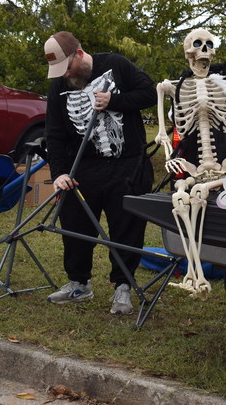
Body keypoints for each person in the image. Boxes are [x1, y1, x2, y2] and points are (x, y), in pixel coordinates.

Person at [42, 31, 156, 314]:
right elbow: (54, 134)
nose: (65, 74)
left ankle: (123, 286)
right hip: (83, 167)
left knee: (126, 227)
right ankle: (79, 283)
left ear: (79, 54)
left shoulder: (116, 65)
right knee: (75, 224)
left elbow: (150, 93)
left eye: (67, 67)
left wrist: (114, 101)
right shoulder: (59, 87)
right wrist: (59, 173)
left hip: (127, 164)